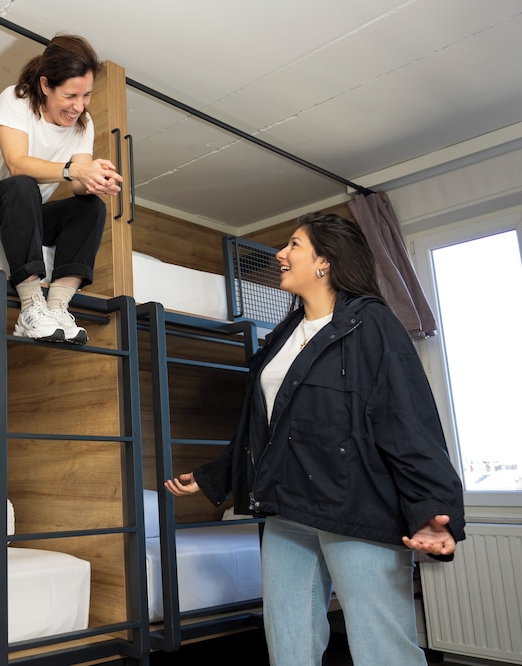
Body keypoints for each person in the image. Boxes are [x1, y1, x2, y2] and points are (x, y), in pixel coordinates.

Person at [164, 213, 465, 665]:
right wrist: (214, 476)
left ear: (325, 260)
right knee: (289, 646)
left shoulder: (373, 324)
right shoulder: (282, 336)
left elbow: (408, 420)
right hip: (288, 509)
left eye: (293, 245)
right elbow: (265, 427)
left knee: (383, 649)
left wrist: (433, 508)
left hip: (357, 507)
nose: (280, 255)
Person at [0, 33, 123, 345]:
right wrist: (75, 170)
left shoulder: (84, 124)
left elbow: (79, 185)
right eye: (70, 96)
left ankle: (56, 307)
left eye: (86, 95)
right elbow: (17, 164)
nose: (78, 106)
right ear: (45, 85)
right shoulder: (16, 99)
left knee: (90, 207)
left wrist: (96, 179)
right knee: (23, 185)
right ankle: (31, 306)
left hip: (25, 213)